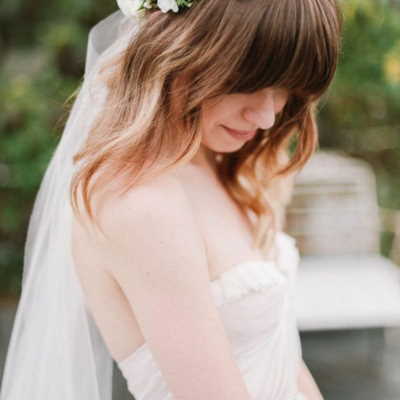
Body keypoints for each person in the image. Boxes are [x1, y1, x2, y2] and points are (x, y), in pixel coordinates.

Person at [0, 0, 342, 399]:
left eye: (286, 88)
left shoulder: (224, 162)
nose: (267, 117)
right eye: (249, 83)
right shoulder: (139, 203)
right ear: (178, 51)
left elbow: (282, 357)